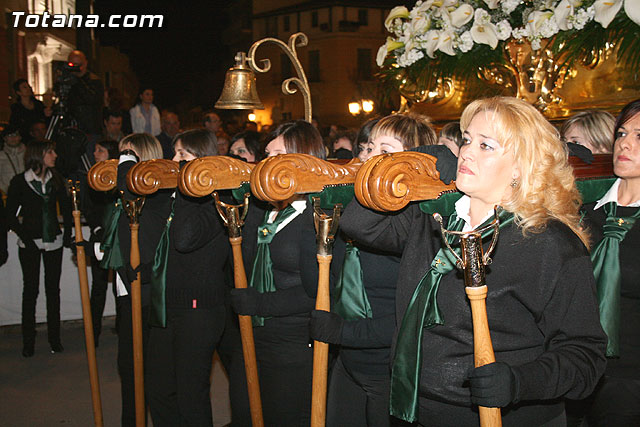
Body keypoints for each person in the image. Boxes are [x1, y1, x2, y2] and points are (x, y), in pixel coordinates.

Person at [340, 96, 607, 426]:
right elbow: (357, 223)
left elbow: (585, 356)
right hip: (413, 407)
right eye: (467, 140)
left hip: (505, 415)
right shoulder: (433, 218)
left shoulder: (548, 242)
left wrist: (520, 381)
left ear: (521, 166)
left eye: (486, 146)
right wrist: (421, 159)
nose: (466, 151)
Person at [310, 113, 437, 426]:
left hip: (385, 365)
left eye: (384, 150)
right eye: (368, 148)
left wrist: (344, 332)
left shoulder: (413, 222)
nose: (367, 157)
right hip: (349, 360)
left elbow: (407, 315)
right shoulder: (358, 203)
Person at [230, 120, 344, 425]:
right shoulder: (261, 207)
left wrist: (260, 304)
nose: (266, 165)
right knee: (244, 413)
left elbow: (319, 291)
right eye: (265, 155)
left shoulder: (322, 215)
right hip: (250, 333)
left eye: (276, 155)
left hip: (292, 342)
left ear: (300, 157)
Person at [145, 129, 229, 426]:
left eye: (183, 155)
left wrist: (185, 188)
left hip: (200, 309)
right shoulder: (173, 197)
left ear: (201, 160)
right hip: (167, 304)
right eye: (174, 153)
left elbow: (184, 238)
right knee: (159, 388)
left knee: (190, 393)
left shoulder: (216, 200)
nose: (174, 160)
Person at [577, 99, 640, 426]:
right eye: (621, 133)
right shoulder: (582, 213)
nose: (625, 143)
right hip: (574, 373)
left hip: (631, 381)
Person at [110, 133, 171, 426]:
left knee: (152, 372)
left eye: (129, 156)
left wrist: (126, 162)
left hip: (150, 292)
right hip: (127, 288)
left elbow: (129, 188)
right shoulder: (125, 193)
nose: (122, 162)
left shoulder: (156, 192)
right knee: (128, 367)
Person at [6, 140, 72, 357]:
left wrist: (68, 234)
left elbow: (67, 209)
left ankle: (55, 339)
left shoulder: (56, 179)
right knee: (30, 291)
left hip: (53, 241)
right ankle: (28, 342)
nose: (55, 155)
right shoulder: (19, 182)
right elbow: (10, 217)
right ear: (38, 155)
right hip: (29, 243)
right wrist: (28, 240)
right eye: (50, 152)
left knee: (53, 291)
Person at [85, 139, 120, 346]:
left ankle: (122, 328)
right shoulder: (93, 178)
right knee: (98, 289)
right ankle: (93, 333)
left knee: (120, 287)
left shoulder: (121, 178)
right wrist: (98, 229)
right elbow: (89, 208)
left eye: (100, 150)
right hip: (99, 237)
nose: (96, 153)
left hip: (119, 239)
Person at [66, 50, 104, 136]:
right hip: (71, 127)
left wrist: (77, 82)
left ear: (85, 63)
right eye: (72, 65)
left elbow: (92, 99)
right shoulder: (68, 81)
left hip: (89, 129)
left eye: (78, 65)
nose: (75, 68)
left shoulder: (94, 81)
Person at [0, 125, 26, 195]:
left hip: (28, 195)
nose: (13, 138)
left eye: (16, 135)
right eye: (9, 135)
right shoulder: (1, 156)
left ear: (20, 137)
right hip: (8, 195)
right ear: (4, 138)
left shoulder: (28, 154)